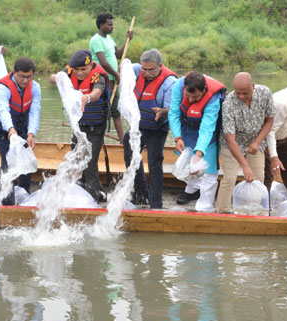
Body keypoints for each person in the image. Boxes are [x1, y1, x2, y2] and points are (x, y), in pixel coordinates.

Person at [51, 50, 110, 200]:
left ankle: (93, 196)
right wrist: (55, 78)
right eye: (76, 70)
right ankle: (86, 190)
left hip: (96, 125)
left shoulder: (99, 76)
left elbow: (97, 92)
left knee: (90, 160)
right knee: (76, 158)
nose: (79, 73)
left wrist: (87, 98)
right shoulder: (69, 70)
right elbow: (56, 77)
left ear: (91, 65)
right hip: (79, 125)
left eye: (83, 69)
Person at [215, 72, 275, 213]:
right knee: (230, 178)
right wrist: (245, 165)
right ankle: (221, 211)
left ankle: (255, 211)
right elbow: (230, 139)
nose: (241, 97)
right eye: (238, 93)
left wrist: (257, 142)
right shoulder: (228, 103)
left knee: (258, 178)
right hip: (233, 144)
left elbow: (270, 120)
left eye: (245, 93)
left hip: (256, 140)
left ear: (253, 87)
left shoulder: (265, 93)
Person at [168, 71, 227, 212]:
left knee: (209, 170)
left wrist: (198, 155)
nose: (191, 100)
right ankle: (192, 190)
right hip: (187, 128)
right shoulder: (178, 86)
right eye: (188, 96)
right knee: (187, 163)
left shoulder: (213, 99)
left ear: (204, 90)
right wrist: (177, 137)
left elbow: (207, 129)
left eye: (195, 97)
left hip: (208, 131)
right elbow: (174, 113)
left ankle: (205, 206)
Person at [127, 49, 178, 208]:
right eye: (145, 69)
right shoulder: (136, 70)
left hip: (157, 128)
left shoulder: (170, 82)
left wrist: (163, 112)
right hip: (138, 126)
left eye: (151, 70)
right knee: (130, 155)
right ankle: (141, 194)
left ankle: (156, 204)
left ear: (160, 66)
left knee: (154, 163)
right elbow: (123, 67)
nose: (147, 73)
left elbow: (173, 109)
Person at [0, 57, 41, 205]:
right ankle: (7, 201)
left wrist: (31, 133)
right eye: (22, 77)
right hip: (2, 129)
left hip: (22, 126)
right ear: (14, 73)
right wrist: (10, 130)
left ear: (33, 75)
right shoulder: (3, 87)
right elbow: (3, 110)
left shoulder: (35, 87)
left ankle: (24, 191)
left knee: (27, 157)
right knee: (8, 161)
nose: (25, 80)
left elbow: (35, 111)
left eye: (29, 77)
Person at [90, 13, 134, 143]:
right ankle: (97, 140)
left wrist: (128, 40)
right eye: (109, 25)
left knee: (115, 111)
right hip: (103, 80)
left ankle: (122, 141)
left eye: (112, 25)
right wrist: (116, 74)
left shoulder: (109, 39)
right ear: (101, 25)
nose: (112, 27)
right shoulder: (96, 40)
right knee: (105, 110)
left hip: (113, 79)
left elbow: (119, 54)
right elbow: (103, 62)